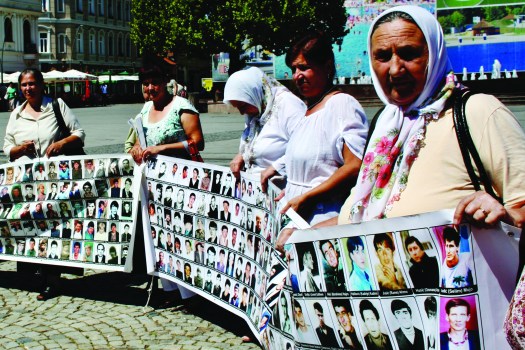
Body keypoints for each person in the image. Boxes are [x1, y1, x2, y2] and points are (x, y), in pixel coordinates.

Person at [335, 6, 525, 261]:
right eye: (382, 56)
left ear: (433, 53)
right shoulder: (385, 124)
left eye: (408, 53)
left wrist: (505, 214)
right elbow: (365, 219)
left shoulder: (477, 112)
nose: (394, 69)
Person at [2, 68, 85, 301]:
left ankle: (52, 280)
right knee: (31, 227)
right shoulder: (16, 114)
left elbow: (79, 133)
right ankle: (34, 274)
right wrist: (20, 150)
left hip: (55, 183)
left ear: (41, 85)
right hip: (27, 185)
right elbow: (7, 146)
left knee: (52, 228)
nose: (28, 88)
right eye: (24, 85)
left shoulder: (56, 106)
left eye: (32, 84)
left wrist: (61, 144)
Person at [276, 32, 367, 228]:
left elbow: (354, 166)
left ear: (326, 67)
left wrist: (308, 196)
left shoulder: (342, 104)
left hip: (323, 219)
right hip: (298, 215)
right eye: (293, 69)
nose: (297, 76)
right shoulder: (307, 111)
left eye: (304, 67)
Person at [224, 67, 306, 190]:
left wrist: (276, 167)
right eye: (237, 107)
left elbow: (305, 147)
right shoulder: (257, 111)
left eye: (243, 105)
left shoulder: (289, 105)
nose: (241, 112)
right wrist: (241, 155)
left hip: (282, 191)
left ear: (255, 94)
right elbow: (252, 143)